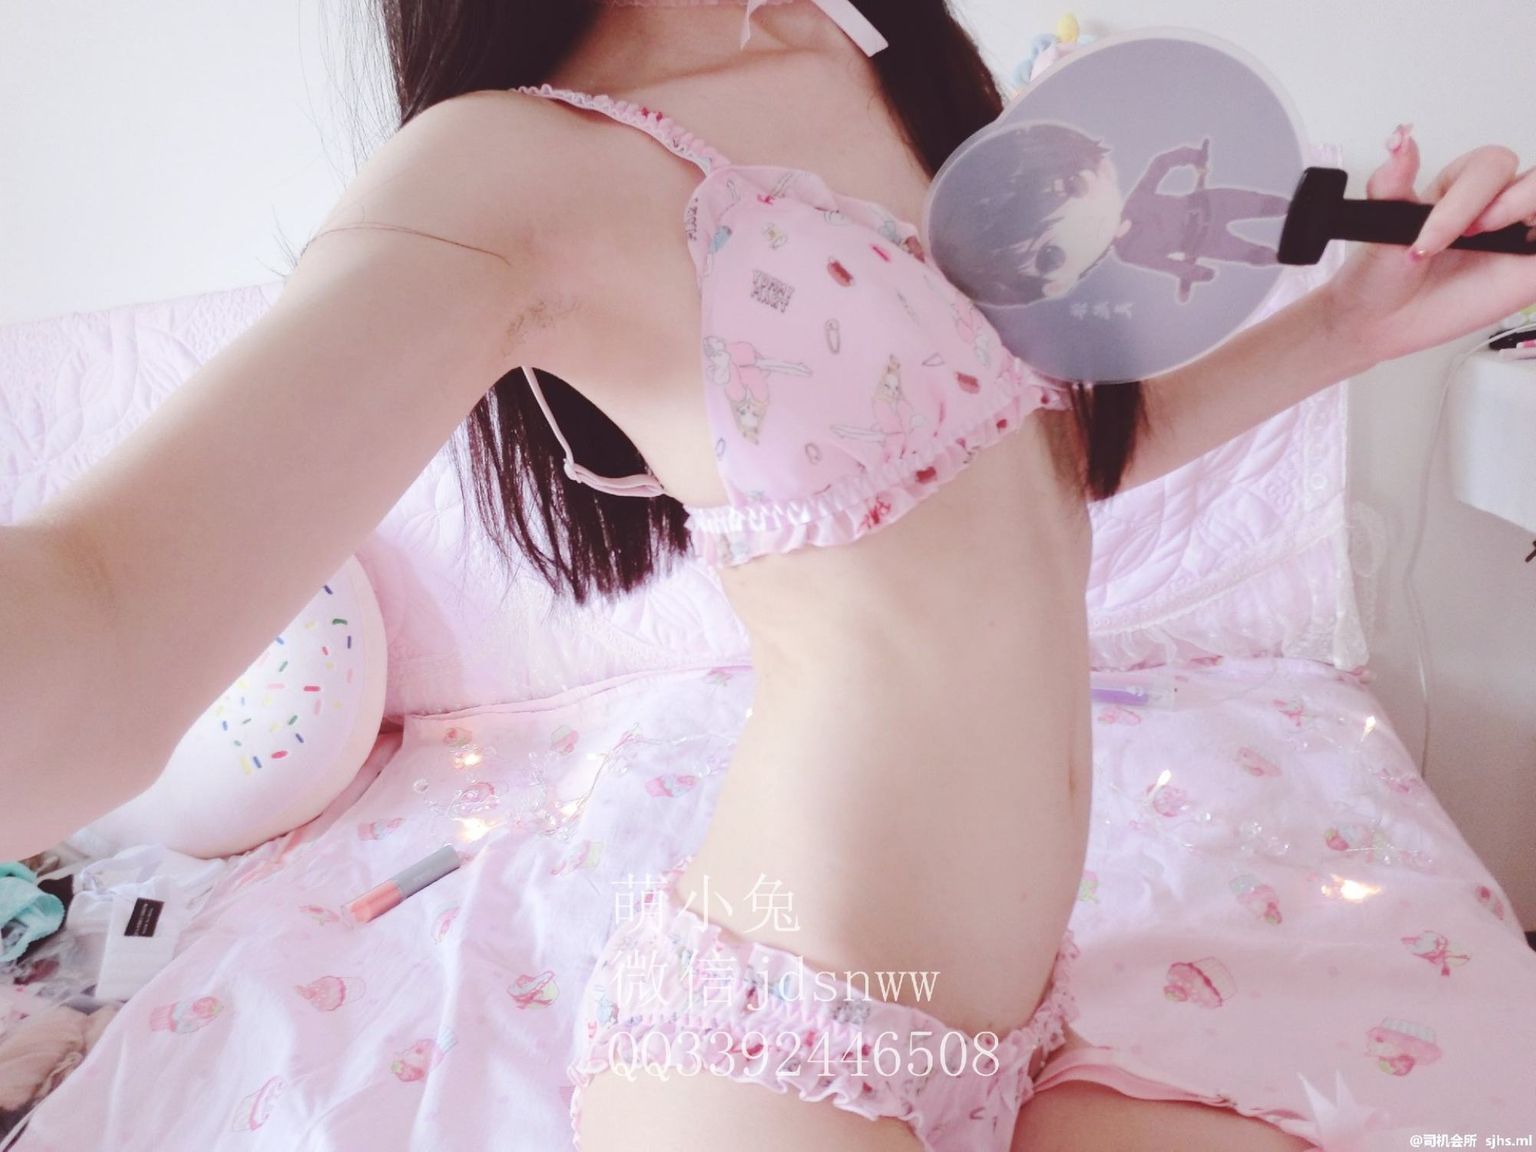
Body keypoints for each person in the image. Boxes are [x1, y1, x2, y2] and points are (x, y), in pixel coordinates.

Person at [1, 2, 1532, 1149]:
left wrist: (1353, 325)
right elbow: (113, 610)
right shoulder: (509, 168)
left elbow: (1034, 474)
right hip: (778, 1054)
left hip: (1025, 1026)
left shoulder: (876, 46)